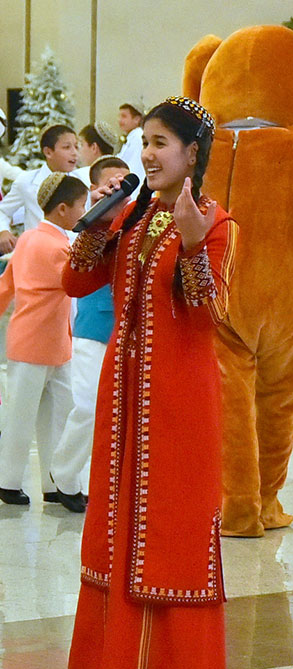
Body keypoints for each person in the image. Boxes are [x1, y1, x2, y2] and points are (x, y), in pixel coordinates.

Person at [64, 97, 235, 669]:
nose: (148, 152)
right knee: (119, 519)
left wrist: (193, 245)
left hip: (181, 396)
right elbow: (74, 282)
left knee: (170, 523)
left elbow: (211, 311)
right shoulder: (132, 219)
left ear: (193, 153)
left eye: (162, 142)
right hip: (124, 394)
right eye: (146, 142)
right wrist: (103, 216)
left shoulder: (216, 222)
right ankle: (126, 666)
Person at [0, 173, 86, 511]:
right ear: (63, 209)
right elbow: (77, 280)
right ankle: (11, 480)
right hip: (38, 344)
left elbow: (7, 283)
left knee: (53, 416)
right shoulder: (52, 246)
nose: (84, 212)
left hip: (43, 344)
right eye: (81, 206)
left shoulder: (31, 239)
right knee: (29, 417)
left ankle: (52, 482)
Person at [49, 157, 129, 502]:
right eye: (111, 184)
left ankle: (101, 481)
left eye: (124, 185)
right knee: (86, 407)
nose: (117, 191)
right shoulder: (90, 224)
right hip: (92, 330)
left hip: (127, 332)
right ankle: (64, 477)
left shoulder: (136, 221)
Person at [0, 124, 79, 251]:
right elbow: (3, 211)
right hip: (38, 253)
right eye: (67, 147)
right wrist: (3, 231)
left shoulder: (81, 181)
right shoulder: (27, 181)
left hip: (72, 254)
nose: (74, 153)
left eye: (76, 146)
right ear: (48, 152)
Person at [117, 101, 145, 181]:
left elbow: (133, 167)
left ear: (136, 119)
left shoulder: (138, 137)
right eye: (119, 116)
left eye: (124, 116)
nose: (120, 120)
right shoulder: (131, 137)